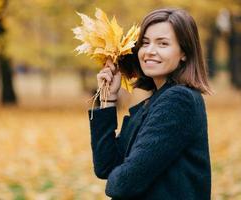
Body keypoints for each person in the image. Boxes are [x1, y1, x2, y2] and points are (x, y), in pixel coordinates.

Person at [88, 8, 212, 200]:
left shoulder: (179, 100)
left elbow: (124, 184)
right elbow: (105, 166)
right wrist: (108, 99)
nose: (149, 51)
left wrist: (120, 175)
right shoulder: (153, 102)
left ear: (184, 53)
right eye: (145, 43)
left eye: (163, 43)